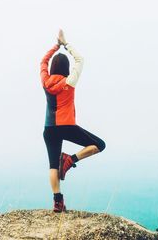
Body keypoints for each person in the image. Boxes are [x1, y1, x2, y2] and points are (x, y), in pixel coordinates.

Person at [40, 29, 106, 212]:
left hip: (49, 129)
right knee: (100, 144)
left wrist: (55, 46)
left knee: (53, 165)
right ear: (66, 68)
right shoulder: (69, 81)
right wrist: (65, 44)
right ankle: (69, 160)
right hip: (67, 126)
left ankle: (57, 202)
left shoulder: (45, 81)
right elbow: (80, 60)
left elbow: (43, 61)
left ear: (53, 68)